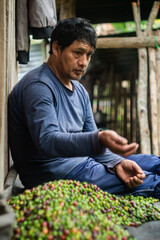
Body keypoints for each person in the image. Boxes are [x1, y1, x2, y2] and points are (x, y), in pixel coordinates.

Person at [8, 17, 160, 198]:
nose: (84, 62)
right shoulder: (38, 86)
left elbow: (91, 135)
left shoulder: (78, 89)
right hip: (52, 174)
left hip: (83, 162)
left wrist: (116, 163)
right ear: (56, 48)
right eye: (78, 53)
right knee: (153, 182)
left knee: (154, 162)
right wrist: (99, 139)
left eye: (88, 55)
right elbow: (47, 141)